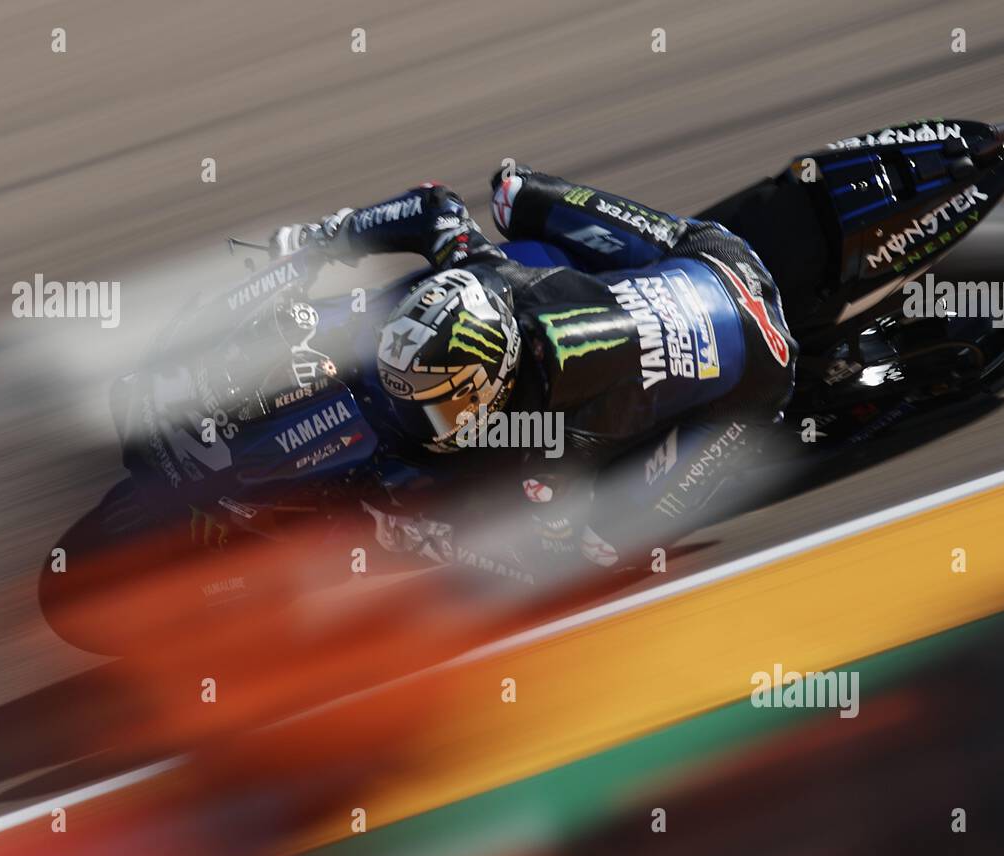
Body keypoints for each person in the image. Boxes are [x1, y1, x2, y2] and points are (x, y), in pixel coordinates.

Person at [268, 167, 797, 571]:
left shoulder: (551, 437)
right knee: (512, 190)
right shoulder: (488, 274)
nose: (422, 413)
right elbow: (435, 206)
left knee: (601, 549)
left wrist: (412, 530)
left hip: (758, 373)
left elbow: (549, 551)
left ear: (496, 389)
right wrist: (322, 239)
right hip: (711, 254)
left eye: (441, 403)